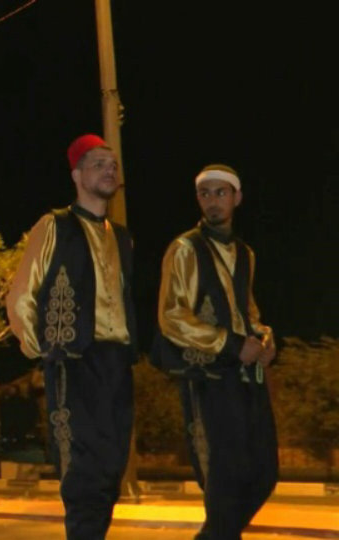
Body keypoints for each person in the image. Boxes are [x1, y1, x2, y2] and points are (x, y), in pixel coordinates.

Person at [5, 134, 137, 539]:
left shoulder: (123, 236)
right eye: (98, 163)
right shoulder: (55, 225)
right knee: (82, 475)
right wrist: (47, 350)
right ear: (77, 175)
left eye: (112, 164)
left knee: (111, 472)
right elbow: (21, 294)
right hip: (75, 360)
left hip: (117, 363)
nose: (109, 170)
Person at [152, 164, 277, 540]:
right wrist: (231, 344)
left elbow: (248, 312)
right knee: (223, 481)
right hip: (206, 378)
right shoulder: (185, 249)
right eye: (205, 194)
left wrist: (266, 340)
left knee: (265, 472)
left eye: (220, 193)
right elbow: (172, 315)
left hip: (245, 379)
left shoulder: (245, 253)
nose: (212, 201)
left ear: (237, 198)